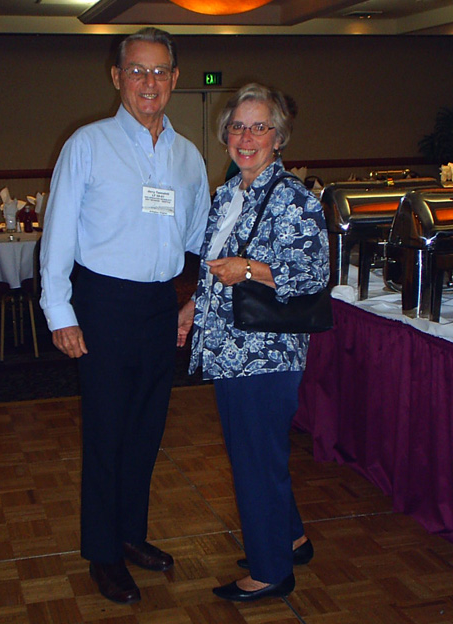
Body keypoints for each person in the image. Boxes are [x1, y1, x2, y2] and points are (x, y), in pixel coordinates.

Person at [40, 28, 210, 605]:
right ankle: (103, 555)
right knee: (108, 433)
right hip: (104, 305)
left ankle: (131, 536)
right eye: (137, 71)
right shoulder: (87, 144)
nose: (149, 83)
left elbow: (195, 239)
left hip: (161, 305)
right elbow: (58, 235)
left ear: (176, 78)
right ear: (117, 77)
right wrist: (60, 310)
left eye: (160, 71)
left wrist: (187, 301)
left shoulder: (188, 155)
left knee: (146, 430)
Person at [177, 83, 330, 601]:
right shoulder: (230, 194)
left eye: (259, 126)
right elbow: (215, 267)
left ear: (278, 137)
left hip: (266, 354)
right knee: (259, 454)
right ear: (226, 135)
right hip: (230, 349)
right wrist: (195, 305)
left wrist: (252, 269)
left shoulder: (292, 197)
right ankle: (290, 538)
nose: (247, 137)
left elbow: (312, 274)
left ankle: (271, 570)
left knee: (255, 461)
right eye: (238, 126)